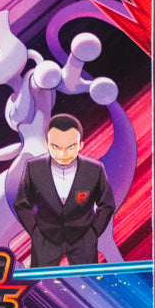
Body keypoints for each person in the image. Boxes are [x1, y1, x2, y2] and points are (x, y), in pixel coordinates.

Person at [13, 114, 115, 267]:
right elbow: (21, 204)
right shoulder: (33, 168)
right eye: (56, 147)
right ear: (47, 144)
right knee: (41, 281)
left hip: (83, 239)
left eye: (70, 147)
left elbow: (107, 204)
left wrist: (93, 232)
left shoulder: (95, 169)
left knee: (87, 281)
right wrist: (35, 232)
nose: (63, 154)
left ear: (81, 145)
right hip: (45, 239)